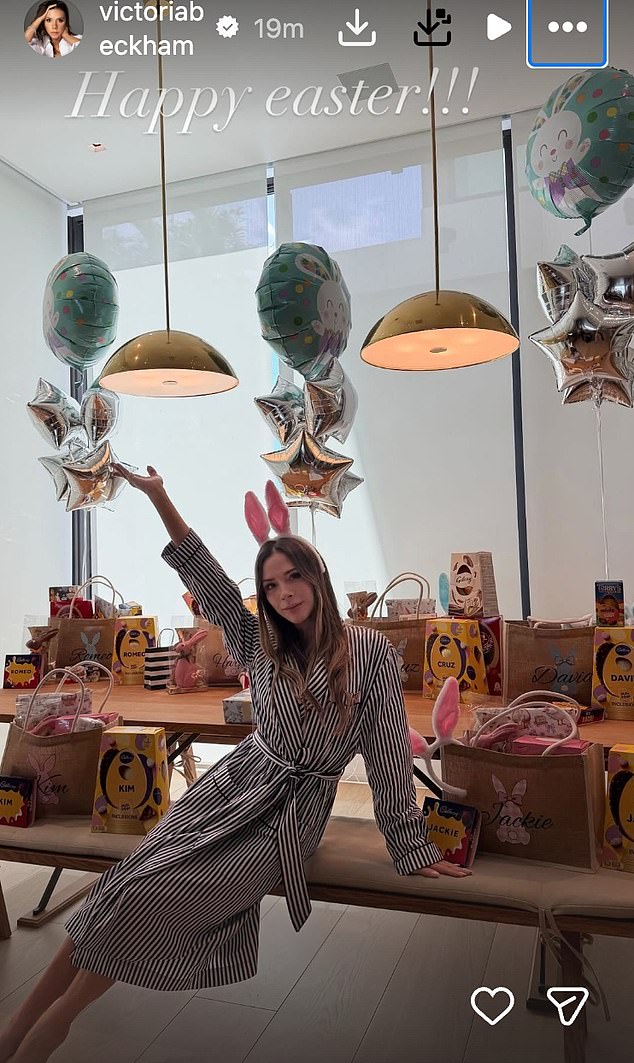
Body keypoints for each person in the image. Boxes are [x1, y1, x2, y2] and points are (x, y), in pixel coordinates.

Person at [0, 467, 470, 1063]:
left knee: (155, 894)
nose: (284, 594)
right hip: (229, 787)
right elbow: (204, 570)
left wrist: (412, 847)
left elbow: (383, 755)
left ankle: (57, 1024)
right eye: (271, 586)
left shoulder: (372, 652)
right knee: (117, 886)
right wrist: (161, 497)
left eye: (294, 577)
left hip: (288, 816)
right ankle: (17, 1026)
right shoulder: (258, 641)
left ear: (317, 575)